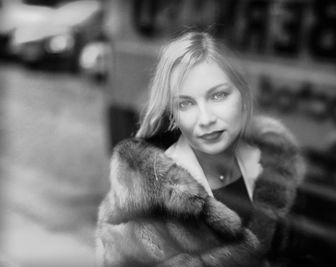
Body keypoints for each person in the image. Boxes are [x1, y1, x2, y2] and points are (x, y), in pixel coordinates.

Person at [96, 31, 305, 267]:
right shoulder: (144, 193)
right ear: (173, 114)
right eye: (186, 103)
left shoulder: (278, 170)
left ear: (244, 96)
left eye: (218, 95)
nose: (205, 119)